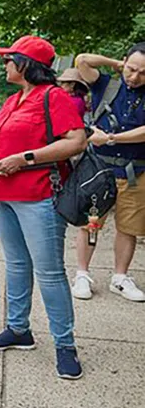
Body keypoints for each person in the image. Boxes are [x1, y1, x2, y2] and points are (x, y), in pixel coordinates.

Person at [0, 35, 86, 380]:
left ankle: (65, 345)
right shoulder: (13, 100)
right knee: (16, 265)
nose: (4, 64)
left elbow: (76, 140)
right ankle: (18, 329)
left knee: (50, 272)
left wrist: (25, 159)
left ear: (25, 64)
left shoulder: (54, 97)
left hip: (40, 194)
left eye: (9, 59)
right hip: (6, 195)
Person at [70, 46, 145, 302]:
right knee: (90, 223)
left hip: (136, 170)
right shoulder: (107, 85)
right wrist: (117, 64)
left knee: (129, 226)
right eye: (132, 69)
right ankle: (82, 273)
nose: (134, 77)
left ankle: (120, 277)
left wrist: (111, 138)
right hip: (99, 170)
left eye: (142, 73)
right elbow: (82, 60)